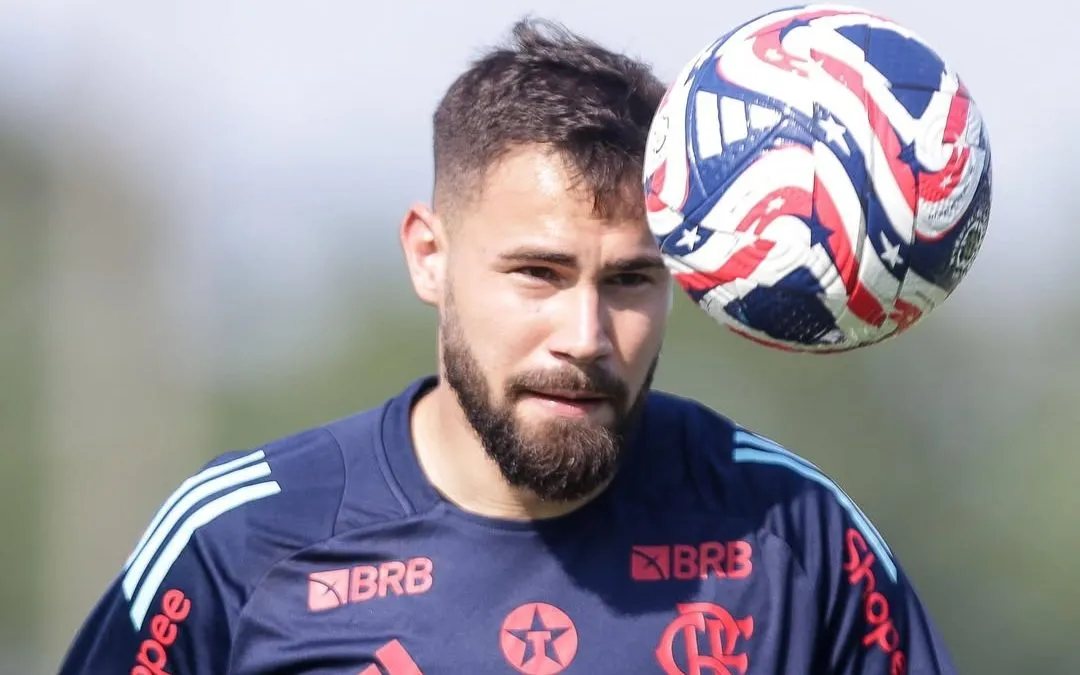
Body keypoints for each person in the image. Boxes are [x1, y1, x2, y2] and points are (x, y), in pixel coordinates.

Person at [59, 18, 956, 675]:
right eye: (537, 272)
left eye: (629, 280)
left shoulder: (795, 537)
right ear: (429, 255)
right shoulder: (239, 542)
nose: (585, 337)